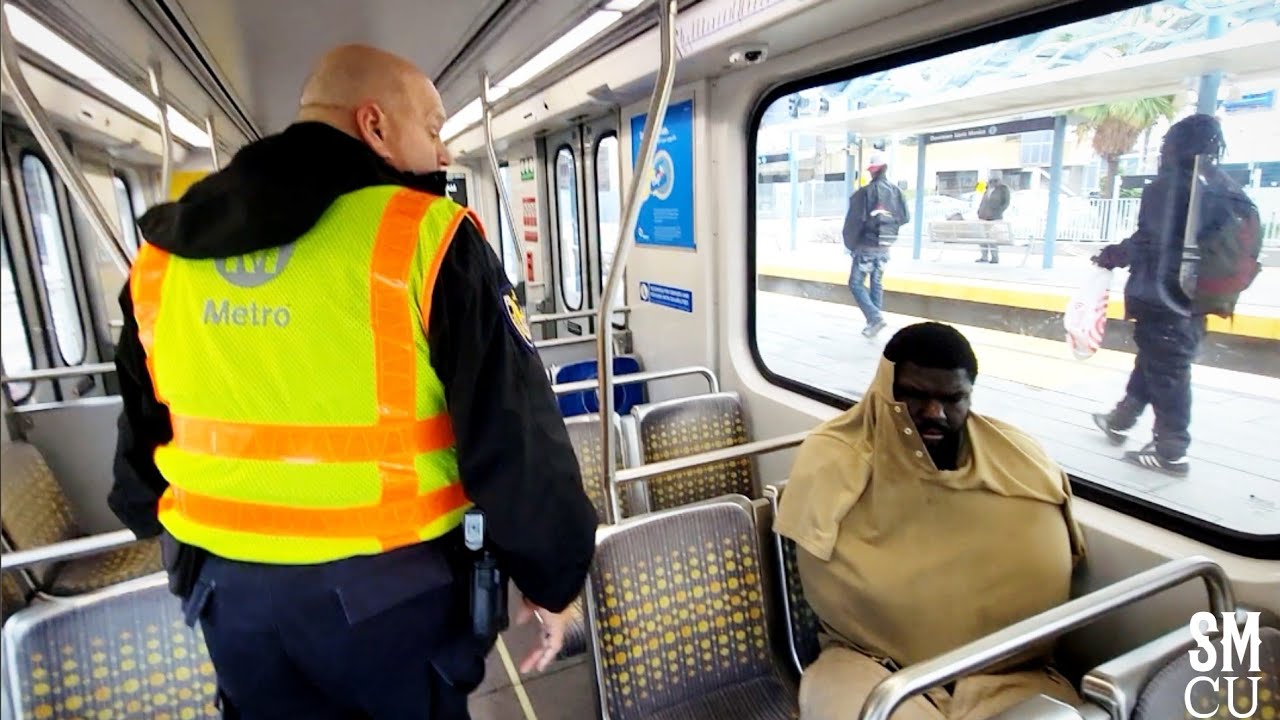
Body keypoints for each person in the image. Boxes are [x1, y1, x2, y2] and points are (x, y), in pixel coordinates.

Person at [108, 43, 598, 718]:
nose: (445, 151)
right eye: (432, 127)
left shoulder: (161, 258)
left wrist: (150, 518)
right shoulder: (424, 238)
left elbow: (144, 427)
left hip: (228, 599)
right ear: (374, 126)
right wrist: (553, 578)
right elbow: (513, 438)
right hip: (392, 601)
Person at [775, 322, 1085, 720]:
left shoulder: (1018, 459)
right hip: (871, 665)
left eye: (953, 399)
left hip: (1008, 671)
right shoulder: (834, 458)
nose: (934, 413)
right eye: (914, 397)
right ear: (885, 390)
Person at [1091, 113, 1251, 476]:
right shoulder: (1220, 186)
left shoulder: (1168, 187)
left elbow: (1151, 242)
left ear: (1177, 145)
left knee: (1168, 370)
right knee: (1157, 358)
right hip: (1196, 296)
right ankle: (1120, 420)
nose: (1164, 148)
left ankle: (1171, 451)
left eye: (1167, 142)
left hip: (1162, 294)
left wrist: (1113, 255)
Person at [842, 151, 909, 338]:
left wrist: (852, 244)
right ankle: (874, 322)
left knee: (855, 283)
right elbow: (905, 218)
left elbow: (853, 223)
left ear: (872, 170)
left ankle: (874, 317)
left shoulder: (863, 194)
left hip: (865, 246)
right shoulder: (897, 192)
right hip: (885, 247)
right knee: (876, 282)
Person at [976, 171, 1010, 264]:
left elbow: (1006, 203)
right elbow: (977, 189)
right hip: (983, 216)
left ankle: (995, 257)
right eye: (992, 180)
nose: (993, 182)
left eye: (995, 180)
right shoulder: (986, 187)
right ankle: (984, 256)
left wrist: (998, 211)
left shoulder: (1003, 189)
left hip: (994, 217)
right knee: (983, 237)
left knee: (993, 238)